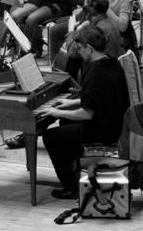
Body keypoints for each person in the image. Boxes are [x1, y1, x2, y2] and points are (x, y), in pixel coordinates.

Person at [39, 26, 130, 200]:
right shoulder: (112, 63)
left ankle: (71, 187)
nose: (79, 52)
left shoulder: (94, 71)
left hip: (104, 131)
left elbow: (87, 114)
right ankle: (77, 172)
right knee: (66, 124)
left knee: (51, 137)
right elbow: (98, 98)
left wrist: (57, 112)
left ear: (90, 48)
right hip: (114, 123)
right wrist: (70, 103)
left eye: (81, 48)